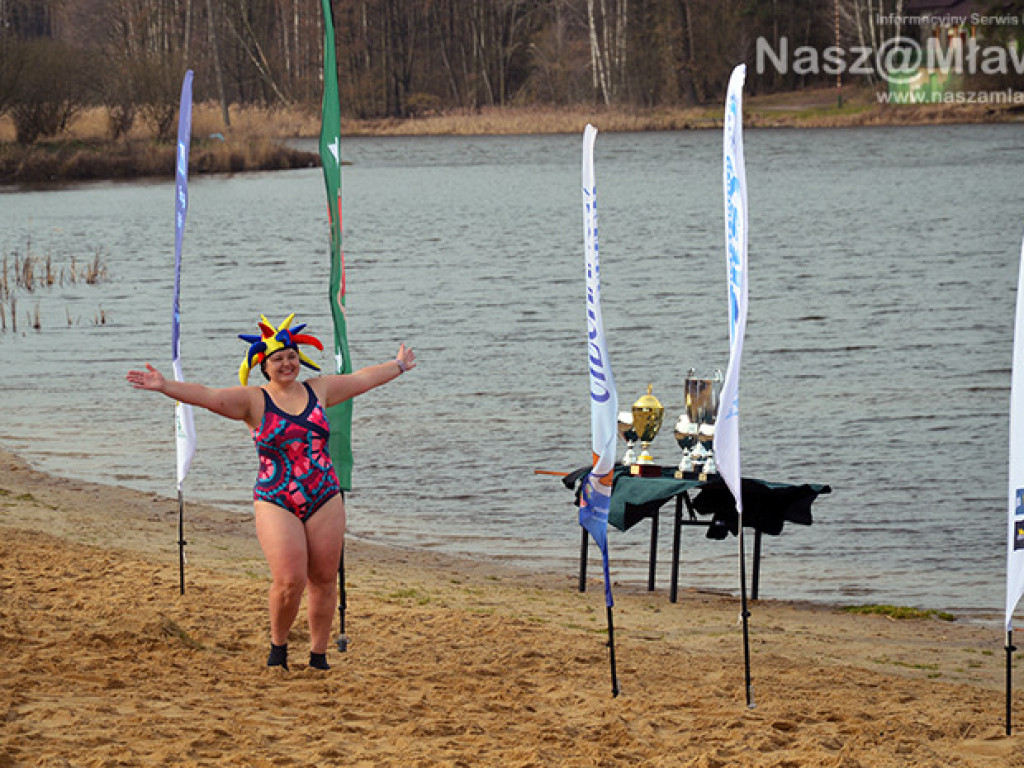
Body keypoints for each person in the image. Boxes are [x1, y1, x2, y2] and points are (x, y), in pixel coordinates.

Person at [126, 313, 416, 671]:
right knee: (290, 580)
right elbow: (208, 396)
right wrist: (165, 386)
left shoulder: (319, 390)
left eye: (292, 356)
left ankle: (318, 656)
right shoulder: (253, 400)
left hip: (324, 494)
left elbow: (359, 380)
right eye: (278, 359)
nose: (287, 363)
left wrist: (397, 366)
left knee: (324, 580)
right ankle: (278, 648)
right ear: (262, 365)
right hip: (276, 497)